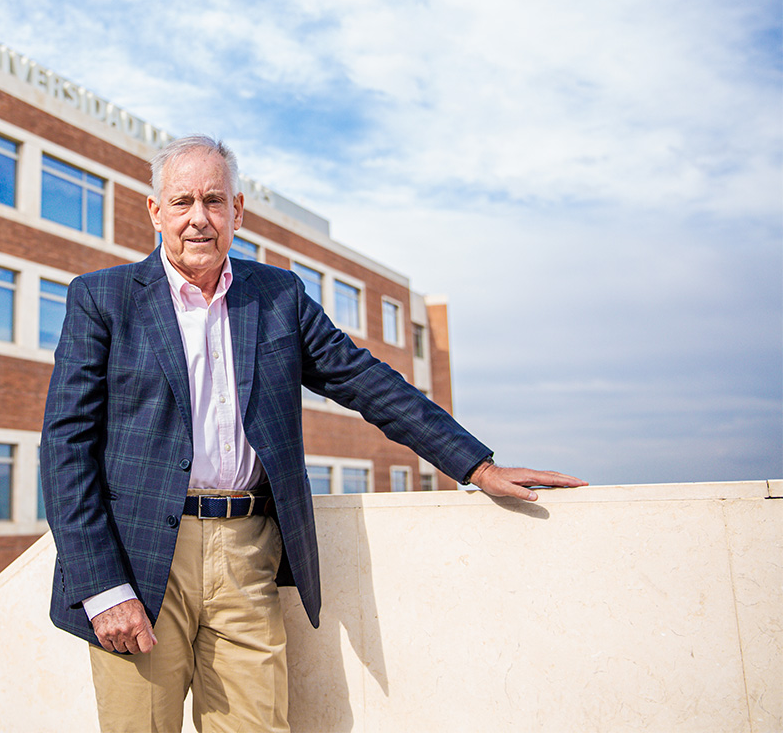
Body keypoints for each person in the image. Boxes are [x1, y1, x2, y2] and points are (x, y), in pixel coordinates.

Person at [40, 135, 586, 732]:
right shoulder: (103, 298)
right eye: (182, 202)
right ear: (155, 211)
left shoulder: (278, 297)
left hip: (247, 553)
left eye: (214, 200)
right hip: (137, 561)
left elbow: (364, 381)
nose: (199, 218)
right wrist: (101, 587)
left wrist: (477, 467)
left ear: (237, 211)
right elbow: (67, 447)